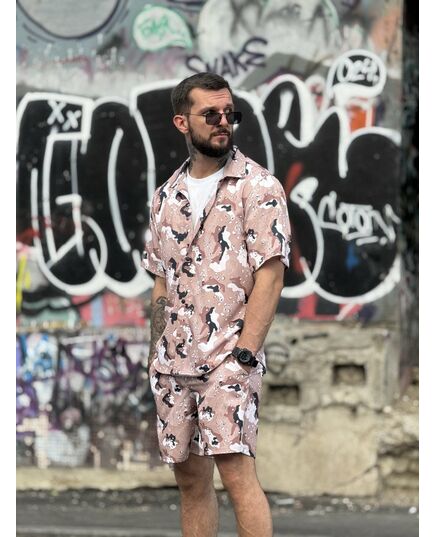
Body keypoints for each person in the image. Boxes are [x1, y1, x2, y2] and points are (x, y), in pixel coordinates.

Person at [142, 72, 291, 537]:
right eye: (211, 114)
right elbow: (161, 280)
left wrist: (245, 354)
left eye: (230, 113)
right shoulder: (166, 196)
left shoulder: (257, 187)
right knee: (190, 481)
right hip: (173, 363)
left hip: (229, 357)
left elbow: (271, 275)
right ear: (182, 122)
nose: (223, 121)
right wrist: (155, 353)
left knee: (237, 475)